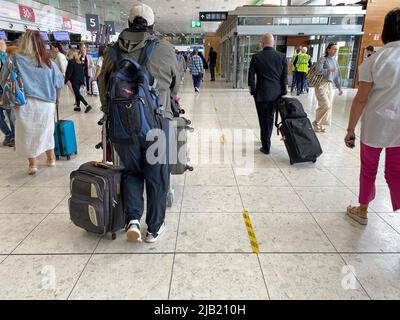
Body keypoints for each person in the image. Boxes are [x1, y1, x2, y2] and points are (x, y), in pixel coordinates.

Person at [98, 3, 180, 244]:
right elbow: (175, 85)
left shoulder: (112, 52)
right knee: (157, 176)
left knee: (131, 172)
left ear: (129, 23)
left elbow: (103, 88)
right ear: (152, 25)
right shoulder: (164, 48)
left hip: (123, 126)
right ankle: (153, 228)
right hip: (157, 124)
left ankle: (133, 219)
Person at [344, 9, 400, 224]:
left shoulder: (374, 60)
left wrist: (350, 130)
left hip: (376, 124)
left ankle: (363, 210)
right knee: (396, 172)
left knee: (369, 169)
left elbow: (361, 99)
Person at [0, 31, 64, 175]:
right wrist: (56, 99)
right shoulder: (48, 61)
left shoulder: (14, 58)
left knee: (27, 132)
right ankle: (51, 158)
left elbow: (3, 78)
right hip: (47, 103)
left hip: (24, 102)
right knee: (47, 130)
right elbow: (59, 82)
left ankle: (33, 164)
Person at [248, 33, 288, 155]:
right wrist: (284, 93)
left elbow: (251, 78)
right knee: (270, 118)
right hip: (276, 94)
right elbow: (284, 78)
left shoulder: (256, 57)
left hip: (261, 94)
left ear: (262, 43)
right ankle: (265, 140)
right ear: (273, 43)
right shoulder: (282, 57)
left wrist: (254, 91)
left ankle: (266, 146)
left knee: (263, 119)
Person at [312, 43, 343, 133]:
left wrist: (339, 88)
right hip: (321, 85)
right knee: (326, 105)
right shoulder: (322, 59)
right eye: (333, 49)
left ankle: (319, 125)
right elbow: (318, 71)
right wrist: (329, 70)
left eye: (336, 49)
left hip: (330, 85)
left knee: (328, 107)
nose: (335, 51)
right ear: (328, 50)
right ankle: (316, 122)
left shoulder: (335, 61)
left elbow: (337, 76)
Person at [0, 39, 16, 147]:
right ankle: (9, 134)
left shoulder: (8, 58)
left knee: (11, 115)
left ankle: (13, 136)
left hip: (6, 90)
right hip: (5, 90)